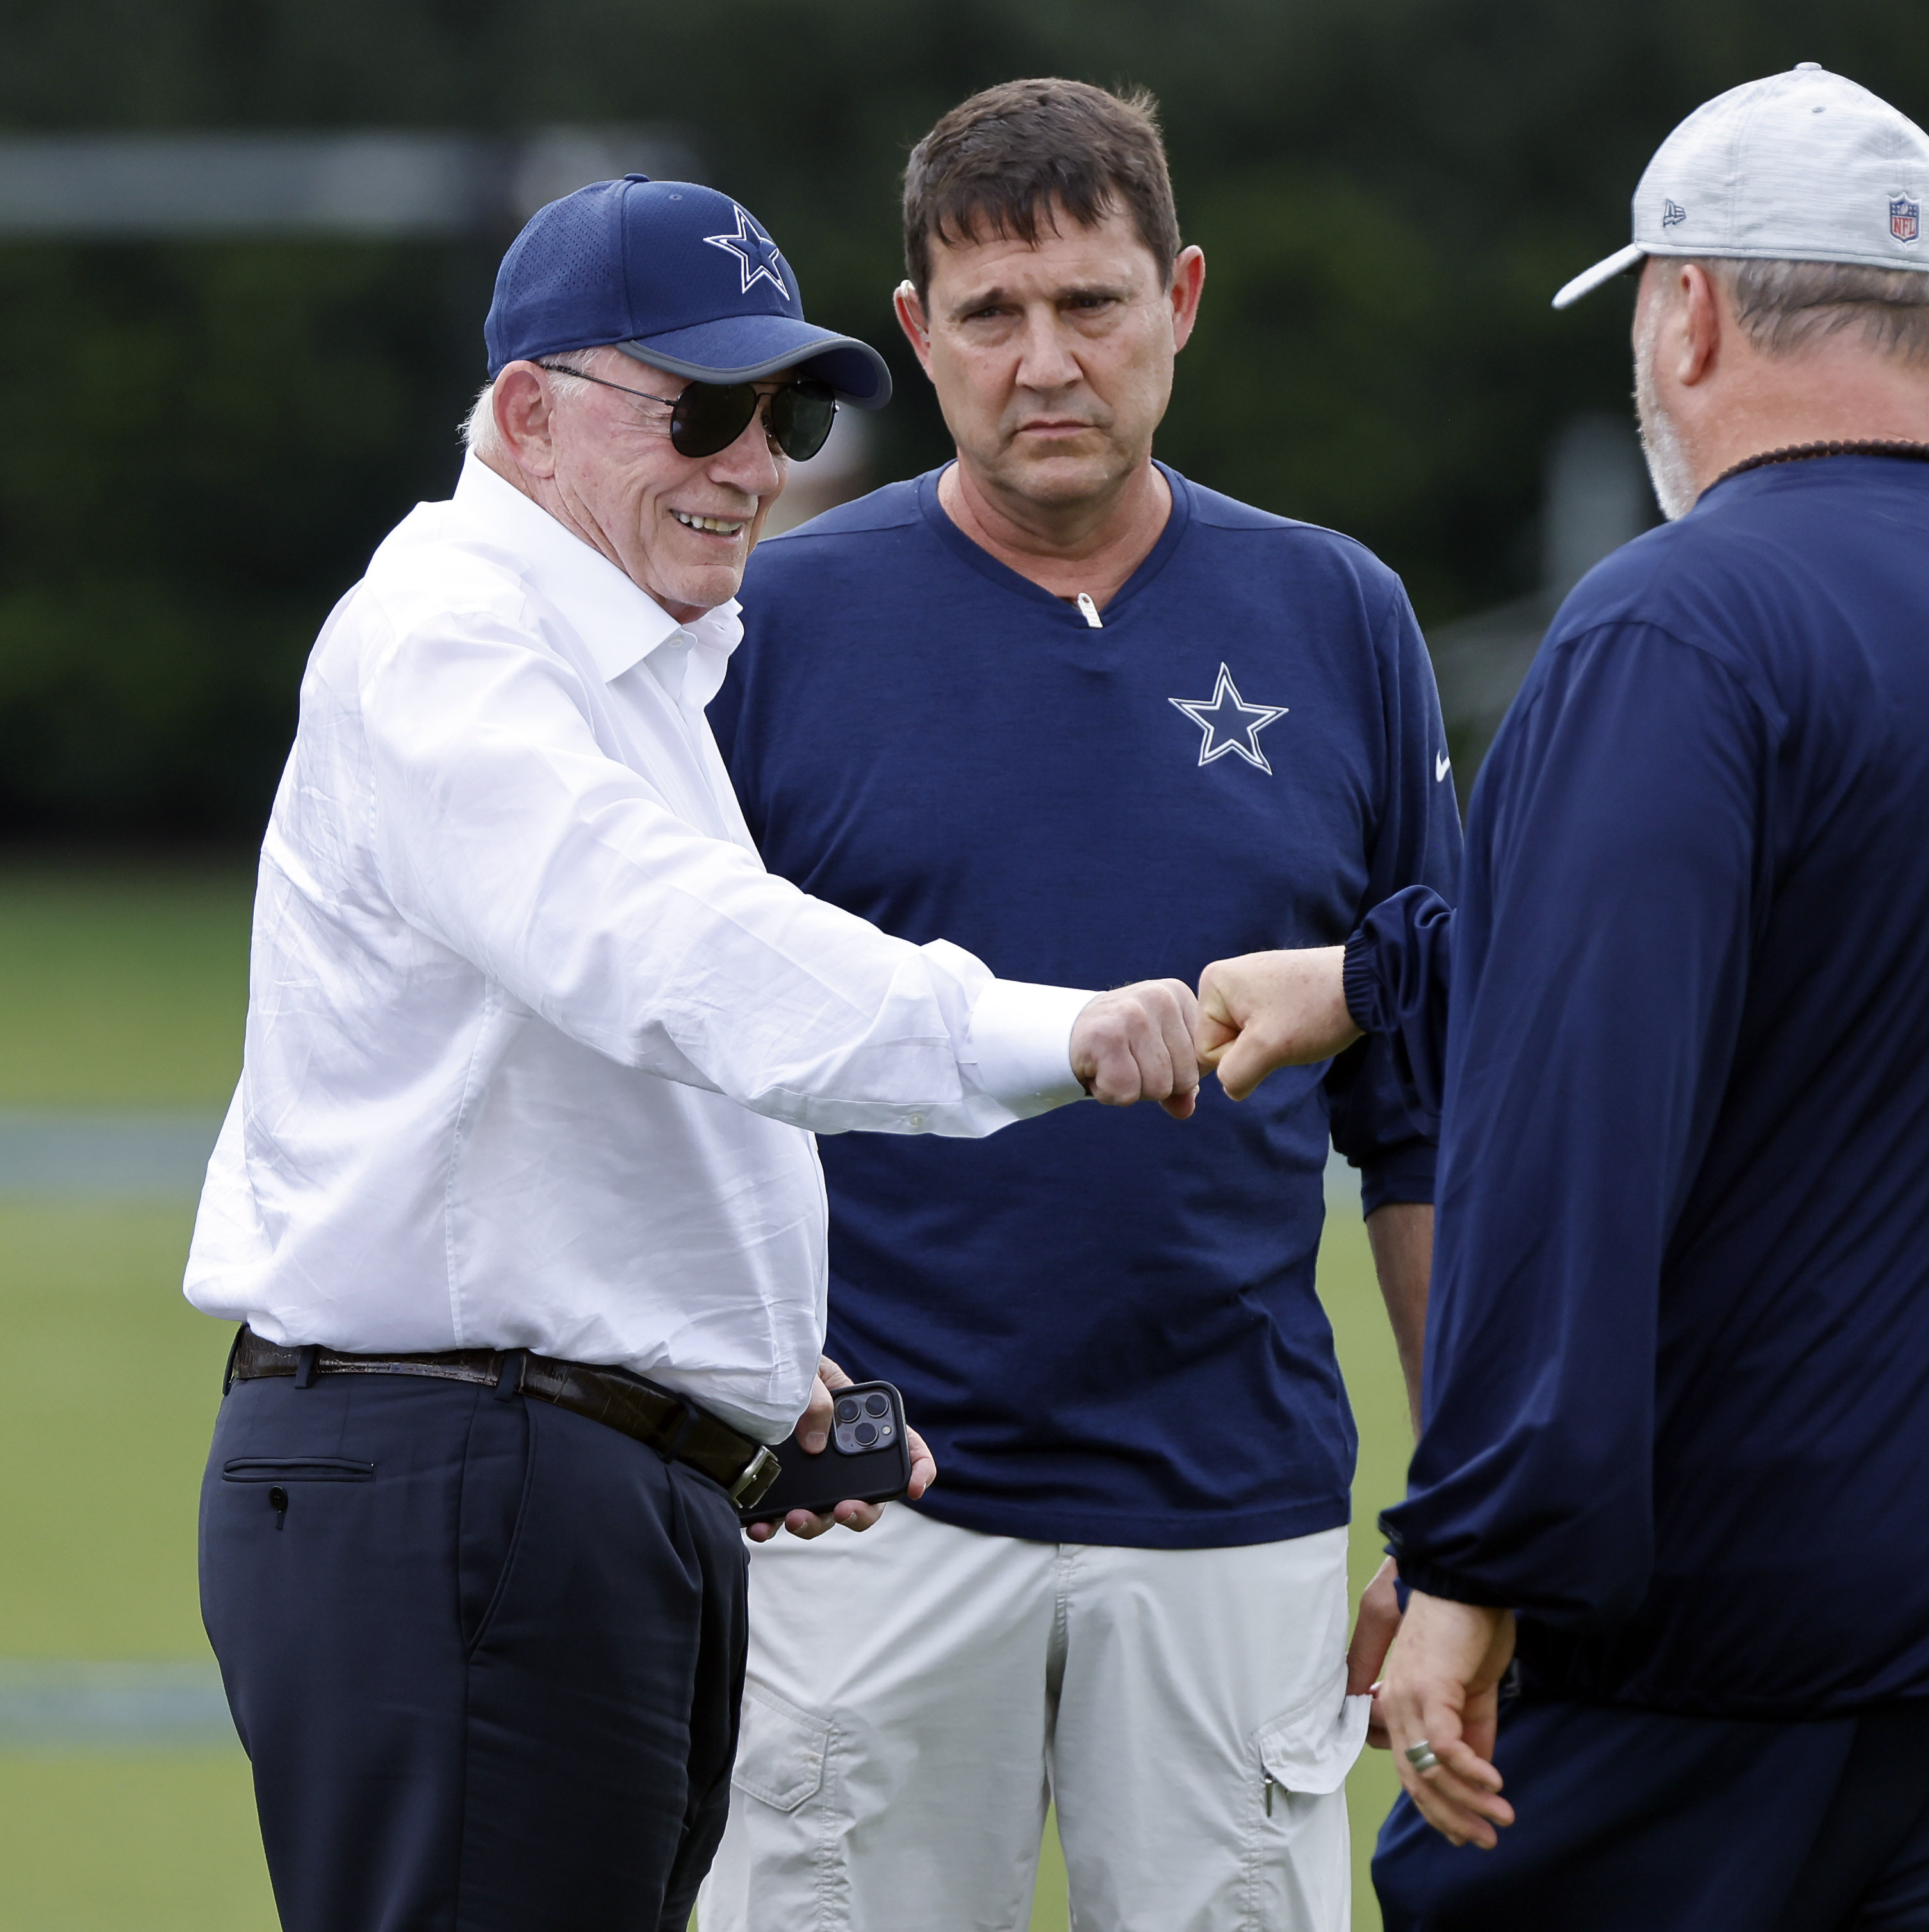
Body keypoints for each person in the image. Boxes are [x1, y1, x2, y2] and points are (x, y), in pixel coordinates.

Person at [1197, 65, 1929, 1932]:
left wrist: (1474, 1562)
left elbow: (1577, 1122)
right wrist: (1369, 974)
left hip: (1738, 1655)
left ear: (1695, 309)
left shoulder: (1676, 624)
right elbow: (1832, 943)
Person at [185, 172, 1204, 1932]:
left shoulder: (619, 659)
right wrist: (1052, 1031)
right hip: (458, 1489)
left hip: (546, 1486)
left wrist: (732, 1371)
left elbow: (569, 1080)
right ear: (526, 412)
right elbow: (673, 956)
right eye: (706, 409)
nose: (757, 464)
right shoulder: (452, 643)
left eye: (788, 413)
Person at [696, 80, 1458, 1932]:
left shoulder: (1339, 615)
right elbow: (676, 1063)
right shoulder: (768, 631)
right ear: (914, 336)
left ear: (1181, 297)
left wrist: (1463, 1527)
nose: (1047, 361)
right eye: (991, 314)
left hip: (1234, 1511)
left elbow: (1426, 1116)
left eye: (1093, 304)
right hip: (862, 1513)